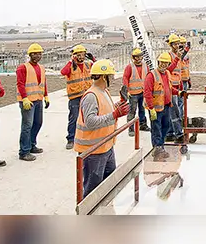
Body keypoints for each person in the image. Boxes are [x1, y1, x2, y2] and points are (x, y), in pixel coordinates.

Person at [75, 59, 130, 197]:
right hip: (93, 150)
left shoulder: (104, 91)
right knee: (93, 189)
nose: (112, 78)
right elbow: (91, 122)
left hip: (106, 146)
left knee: (109, 183)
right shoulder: (91, 96)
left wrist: (120, 105)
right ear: (103, 76)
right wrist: (115, 114)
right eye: (110, 76)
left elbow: (105, 111)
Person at [17, 43, 49, 161]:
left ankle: (31, 145)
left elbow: (43, 83)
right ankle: (24, 151)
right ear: (30, 55)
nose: (37, 56)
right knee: (27, 126)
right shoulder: (23, 68)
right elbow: (20, 84)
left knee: (38, 123)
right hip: (27, 101)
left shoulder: (41, 68)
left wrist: (46, 96)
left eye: (39, 53)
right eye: (35, 53)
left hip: (38, 100)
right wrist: (24, 98)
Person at [144, 52, 177, 160]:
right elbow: (147, 92)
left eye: (166, 63)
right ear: (158, 62)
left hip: (166, 106)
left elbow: (169, 88)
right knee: (156, 128)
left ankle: (161, 146)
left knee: (166, 126)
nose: (163, 65)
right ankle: (157, 148)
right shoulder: (151, 75)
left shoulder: (167, 73)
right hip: (156, 108)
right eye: (162, 63)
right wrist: (151, 108)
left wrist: (179, 92)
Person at [61, 45, 92, 150]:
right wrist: (71, 62)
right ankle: (71, 139)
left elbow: (98, 69)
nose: (81, 57)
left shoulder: (88, 65)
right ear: (74, 55)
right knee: (74, 118)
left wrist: (94, 59)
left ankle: (85, 136)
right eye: (78, 55)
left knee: (88, 117)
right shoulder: (70, 66)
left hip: (87, 96)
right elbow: (63, 72)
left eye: (83, 54)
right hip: (75, 97)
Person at [122, 48, 148, 136]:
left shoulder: (145, 66)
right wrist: (127, 90)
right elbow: (125, 78)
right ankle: (131, 128)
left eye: (140, 56)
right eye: (136, 57)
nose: (138, 58)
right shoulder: (130, 67)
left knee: (142, 109)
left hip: (143, 92)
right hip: (133, 93)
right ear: (133, 58)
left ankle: (143, 125)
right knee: (132, 111)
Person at [165, 34, 186, 143]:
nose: (178, 45)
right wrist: (177, 58)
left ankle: (170, 133)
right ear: (171, 45)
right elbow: (168, 70)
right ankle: (178, 134)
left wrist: (181, 84)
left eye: (179, 43)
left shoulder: (178, 56)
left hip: (177, 86)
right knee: (175, 112)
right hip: (170, 86)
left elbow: (178, 72)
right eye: (176, 44)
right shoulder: (169, 56)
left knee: (173, 111)